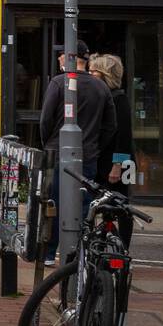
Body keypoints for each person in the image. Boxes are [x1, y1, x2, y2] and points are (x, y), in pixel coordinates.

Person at [39, 40, 116, 264]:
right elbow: (110, 126)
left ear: (69, 58)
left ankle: (50, 252)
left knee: (53, 203)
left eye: (61, 55)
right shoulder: (100, 87)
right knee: (83, 205)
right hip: (87, 156)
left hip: (57, 154)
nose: (58, 59)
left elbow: (45, 120)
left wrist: (49, 144)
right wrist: (94, 144)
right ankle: (77, 253)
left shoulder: (58, 82)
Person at [90, 52, 136, 247]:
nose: (90, 74)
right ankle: (98, 244)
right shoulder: (104, 96)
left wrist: (117, 165)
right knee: (101, 206)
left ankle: (123, 249)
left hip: (119, 164)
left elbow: (124, 136)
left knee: (122, 207)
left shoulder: (119, 99)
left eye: (94, 71)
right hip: (104, 162)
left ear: (105, 74)